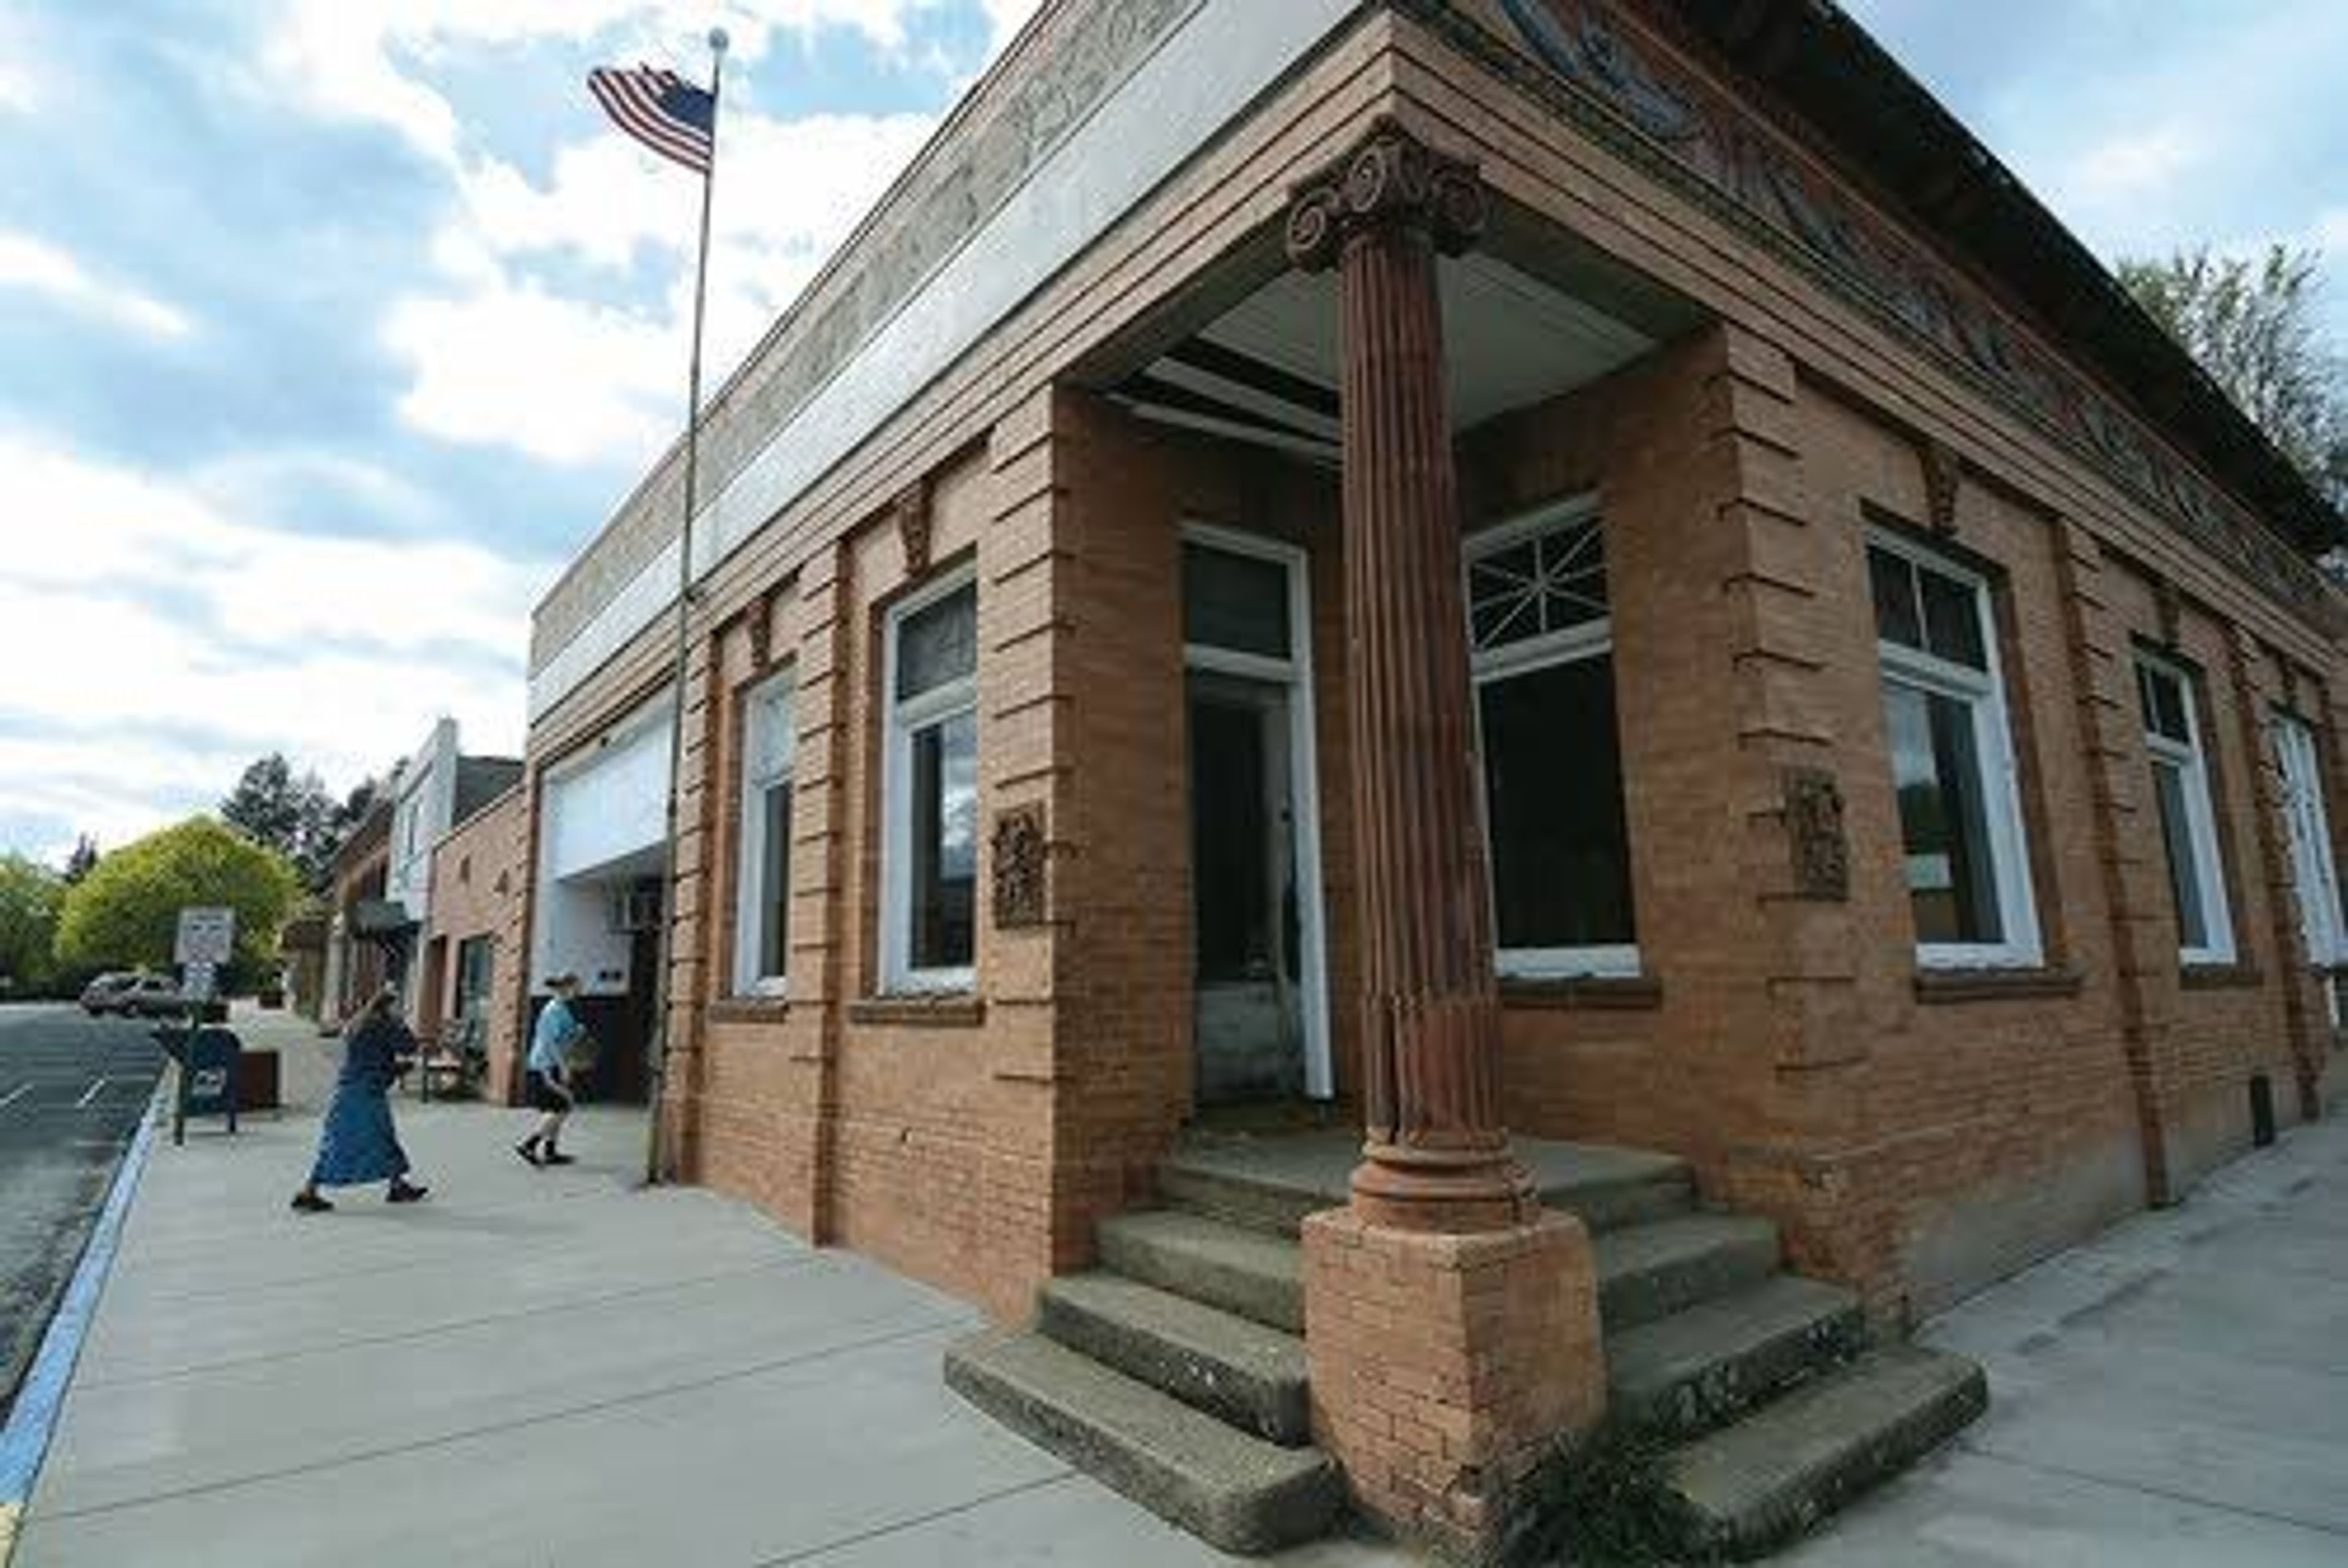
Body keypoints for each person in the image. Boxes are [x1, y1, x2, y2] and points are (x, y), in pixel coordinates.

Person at [292, 985, 427, 1212]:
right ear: (388, 1007)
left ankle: (397, 1185)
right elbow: (409, 1046)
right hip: (366, 1091)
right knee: (348, 1143)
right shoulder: (382, 1025)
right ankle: (308, 1191)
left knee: (365, 1138)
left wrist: (393, 1066)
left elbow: (370, 1055)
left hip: (351, 1089)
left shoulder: (359, 1022)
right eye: (396, 1007)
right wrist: (401, 1025)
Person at [517, 973, 588, 1168]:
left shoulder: (560, 1008)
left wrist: (577, 1031)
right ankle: (529, 1145)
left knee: (557, 1108)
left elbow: (564, 1036)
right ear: (568, 987)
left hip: (550, 1064)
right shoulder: (554, 1010)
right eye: (578, 986)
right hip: (547, 1065)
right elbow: (551, 1043)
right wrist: (564, 1068)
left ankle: (550, 1151)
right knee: (563, 1106)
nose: (581, 990)